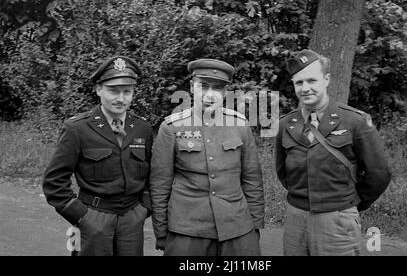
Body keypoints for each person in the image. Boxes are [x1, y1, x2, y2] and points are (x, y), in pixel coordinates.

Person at [276, 49, 391, 256]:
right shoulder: (286, 124)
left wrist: (348, 203)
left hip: (337, 219)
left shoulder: (355, 121)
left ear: (326, 79)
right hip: (296, 218)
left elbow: (379, 173)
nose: (305, 88)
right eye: (299, 83)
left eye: (312, 80)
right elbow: (282, 172)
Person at [150, 58, 264, 256]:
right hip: (187, 228)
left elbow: (252, 180)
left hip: (236, 225)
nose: (210, 95)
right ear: (192, 87)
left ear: (225, 92)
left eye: (218, 88)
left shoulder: (239, 125)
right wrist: (161, 231)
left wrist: (254, 226)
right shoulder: (172, 128)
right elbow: (160, 184)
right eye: (203, 86)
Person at [42, 56, 153, 256]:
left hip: (132, 219)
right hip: (93, 218)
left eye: (127, 91)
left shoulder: (142, 128)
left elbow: (152, 174)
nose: (121, 98)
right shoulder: (77, 128)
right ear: (98, 90)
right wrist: (81, 216)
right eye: (113, 91)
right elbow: (53, 181)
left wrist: (144, 208)